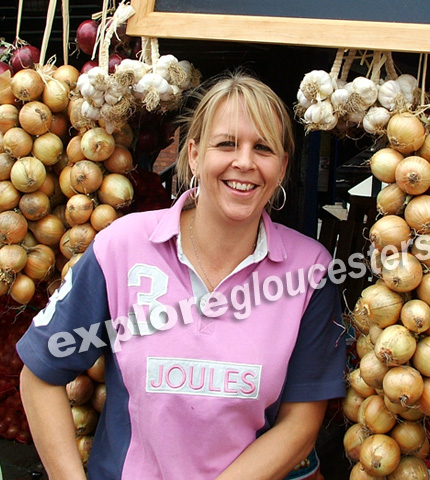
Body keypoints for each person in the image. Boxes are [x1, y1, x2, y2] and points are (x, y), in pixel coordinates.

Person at [17, 70, 347, 480]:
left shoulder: (309, 272)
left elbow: (300, 426)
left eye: (262, 148)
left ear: (281, 167)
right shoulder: (122, 247)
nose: (244, 162)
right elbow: (40, 374)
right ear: (193, 155)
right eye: (226, 144)